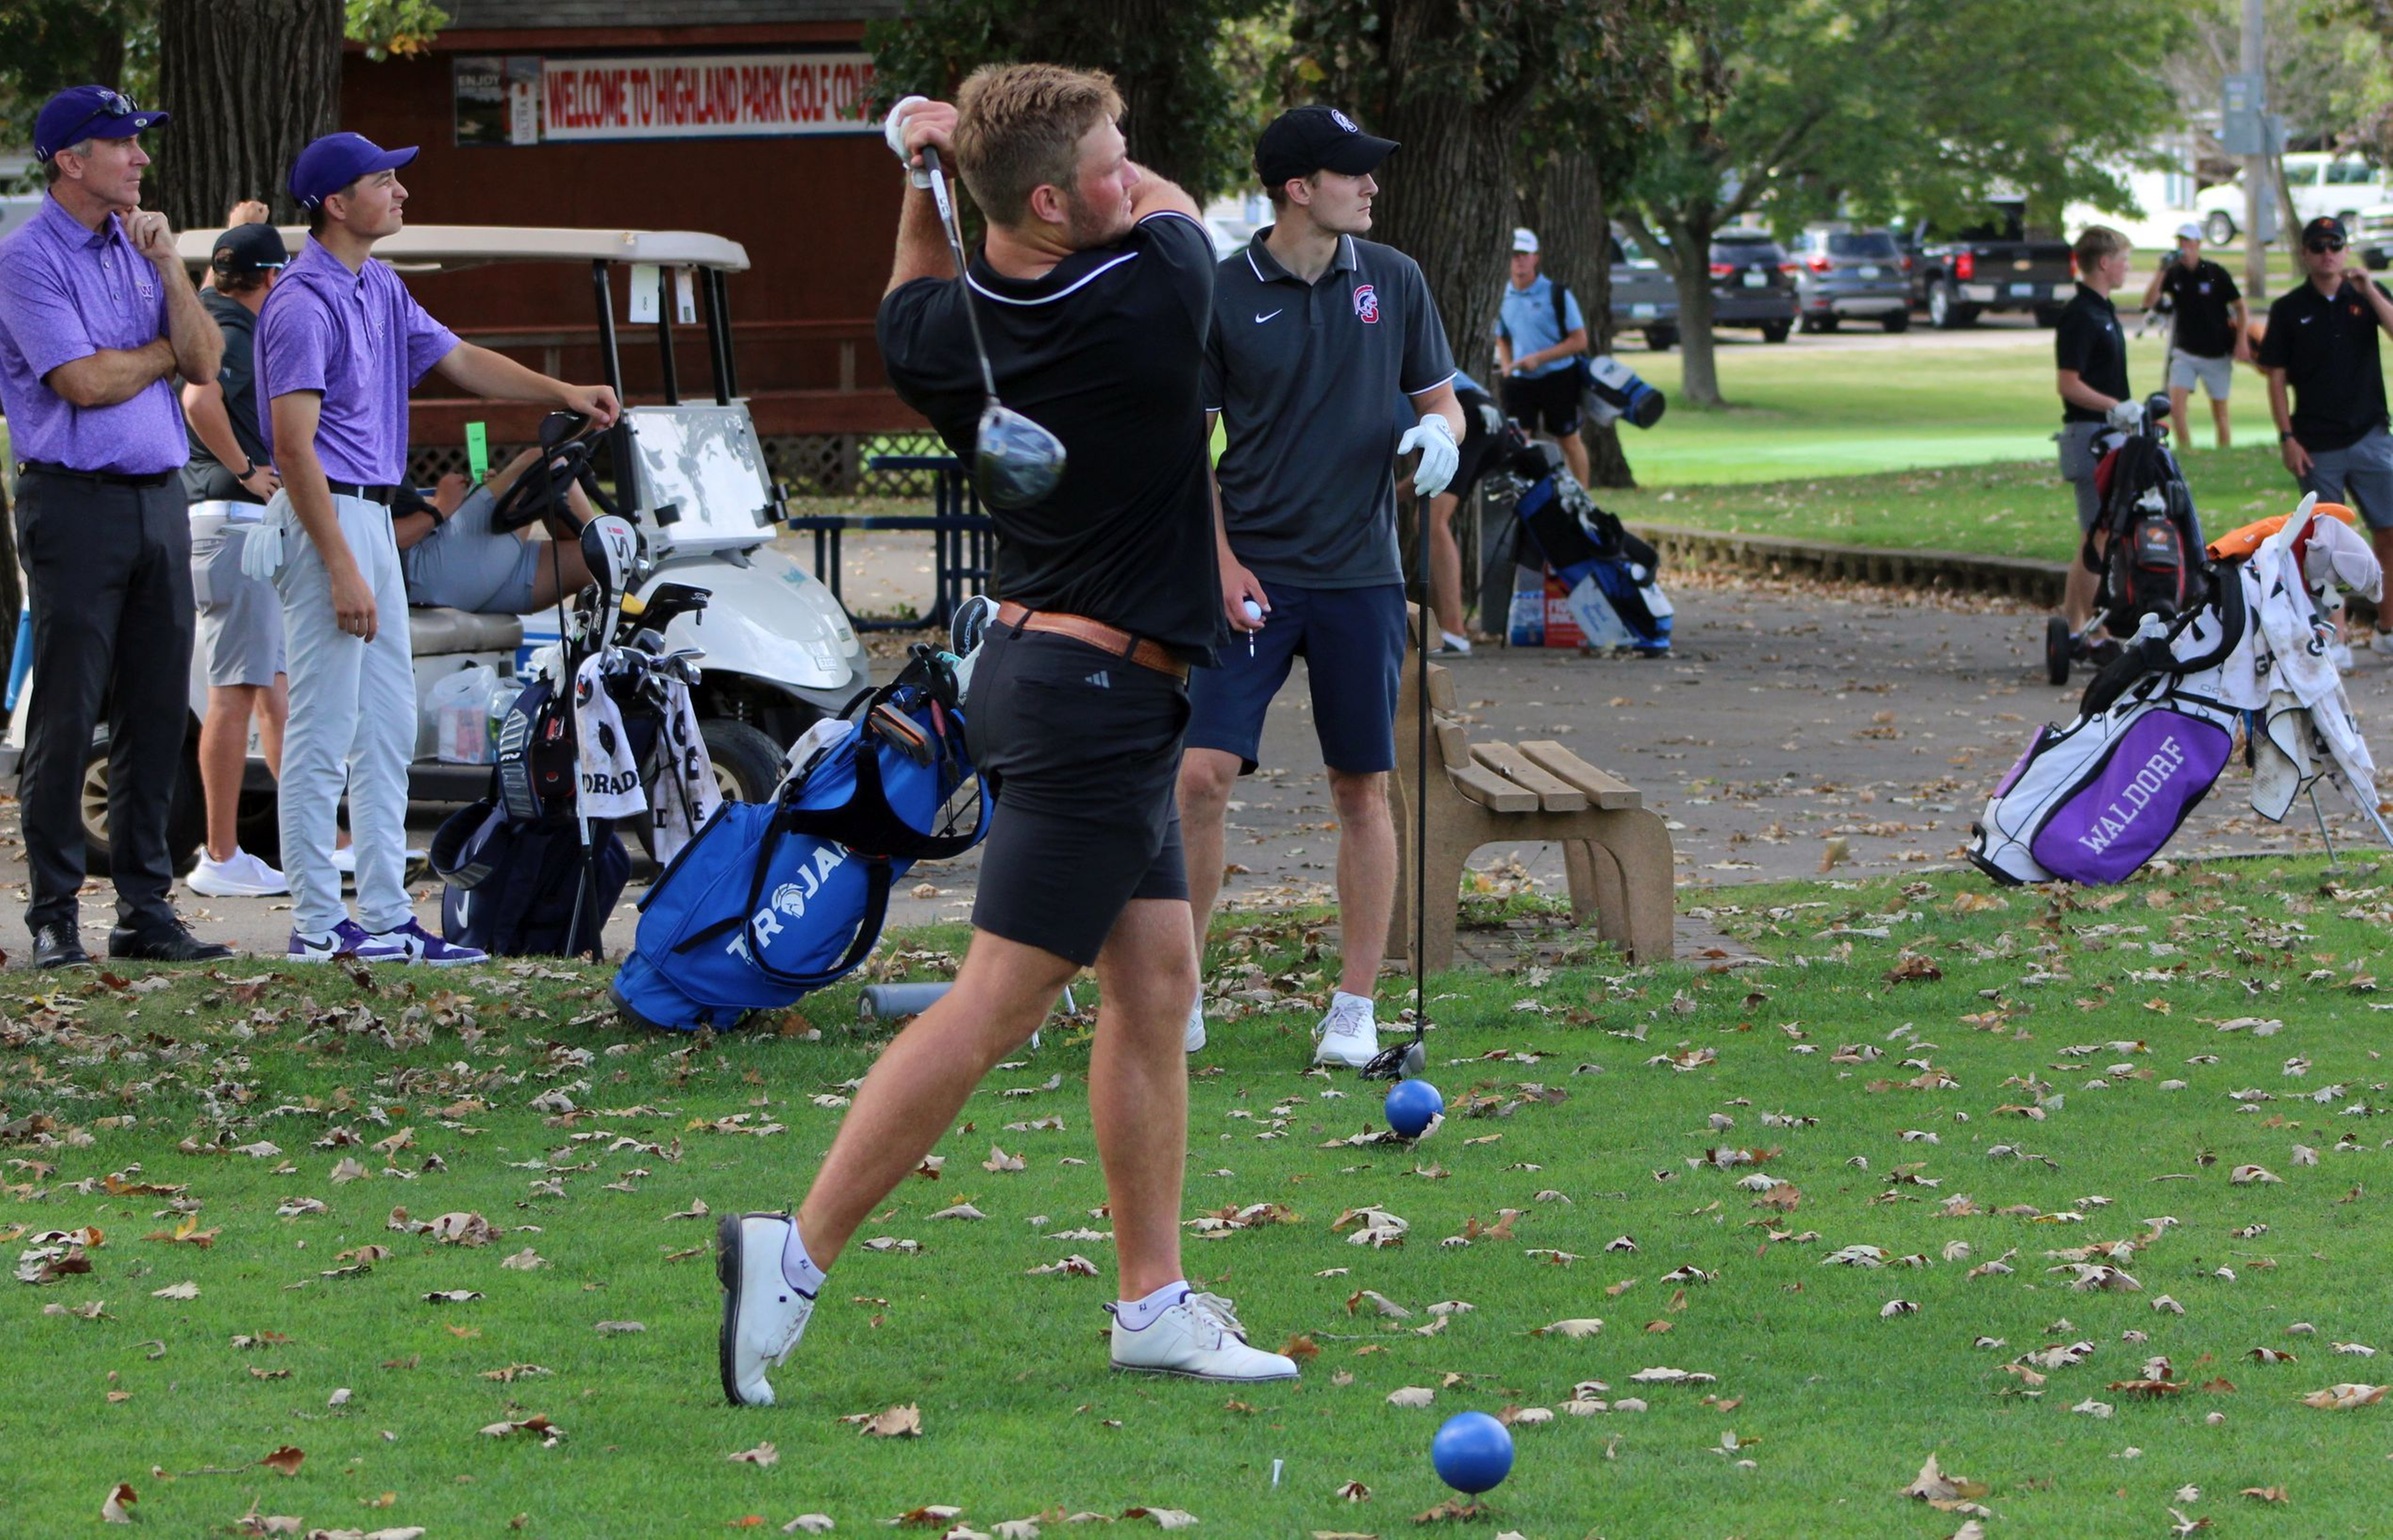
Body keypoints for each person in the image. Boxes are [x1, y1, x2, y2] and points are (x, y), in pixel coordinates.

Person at [715, 68, 1299, 1407]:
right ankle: (792, 1257)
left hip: (1070, 684)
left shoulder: (947, 333)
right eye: (1110, 154)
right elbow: (1165, 206)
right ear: (1053, 199)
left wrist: (921, 166)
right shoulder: (1154, 290)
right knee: (997, 1000)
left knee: (1156, 980)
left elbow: (913, 288)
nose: (1132, 166)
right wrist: (947, 157)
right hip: (1090, 704)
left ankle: (1151, 1300)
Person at [253, 131, 618, 965]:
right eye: (384, 180)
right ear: (338, 203)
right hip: (329, 523)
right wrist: (343, 564)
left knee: (384, 726)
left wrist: (562, 390)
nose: (402, 192)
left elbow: (460, 360)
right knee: (320, 726)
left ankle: (382, 916)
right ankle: (316, 926)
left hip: (374, 517)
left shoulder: (377, 283)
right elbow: (294, 448)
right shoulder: (302, 301)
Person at [1180, 105, 1464, 1066]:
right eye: (1353, 173)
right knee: (1199, 777)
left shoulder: (1394, 279)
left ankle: (1352, 1011)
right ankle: (1178, 986)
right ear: (1299, 187)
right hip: (1251, 573)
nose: (1372, 185)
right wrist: (1218, 564)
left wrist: (1441, 438)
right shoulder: (1219, 292)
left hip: (1361, 579)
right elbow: (1187, 453)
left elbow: (1441, 401)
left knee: (1361, 789)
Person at [0, 86, 231, 969]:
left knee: (154, 709)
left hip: (157, 499)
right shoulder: (26, 262)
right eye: (122, 144)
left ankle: (146, 910)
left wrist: (171, 267)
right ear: (71, 160)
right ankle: (55, 914)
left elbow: (204, 361)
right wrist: (159, 356)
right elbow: (84, 385)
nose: (139, 158)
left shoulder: (141, 249)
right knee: (67, 712)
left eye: (140, 143)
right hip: (73, 503)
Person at [182, 216, 292, 900]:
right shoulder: (231, 330)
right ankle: (222, 855)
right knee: (237, 696)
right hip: (234, 520)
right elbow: (200, 397)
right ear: (273, 279)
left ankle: (314, 839)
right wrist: (248, 466)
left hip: (227, 524)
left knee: (265, 690)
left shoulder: (210, 314)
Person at [2260, 216, 2393, 656]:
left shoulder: (2364, 296)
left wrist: (2370, 289)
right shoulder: (2288, 308)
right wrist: (2286, 436)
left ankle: (2387, 629)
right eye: (2317, 246)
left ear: (2346, 248)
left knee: (2389, 531)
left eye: (2335, 244)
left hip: (2370, 433)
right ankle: (2332, 634)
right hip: (2316, 441)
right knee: (2321, 544)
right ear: (2305, 253)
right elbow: (2275, 378)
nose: (2327, 253)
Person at [2053, 224, 2142, 646]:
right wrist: (2113, 406)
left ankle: (2074, 627)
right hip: (2090, 436)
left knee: (2096, 533)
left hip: (2107, 432)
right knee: (2099, 534)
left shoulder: (2103, 311)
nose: (2127, 267)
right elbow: (2068, 383)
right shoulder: (2081, 315)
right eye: (2123, 259)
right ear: (2104, 263)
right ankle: (2093, 629)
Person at [395, 447, 593, 614]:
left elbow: (391, 511)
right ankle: (613, 557)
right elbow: (374, 538)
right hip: (413, 575)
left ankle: (595, 658)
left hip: (433, 559)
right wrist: (440, 507)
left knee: (587, 564)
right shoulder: (366, 430)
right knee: (543, 463)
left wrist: (457, 500)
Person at [1397, 369, 1504, 653]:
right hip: (1486, 412)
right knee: (1430, 513)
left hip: (1456, 411)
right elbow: (1421, 478)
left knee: (1431, 522)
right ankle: (1452, 626)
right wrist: (1392, 495)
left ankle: (1454, 630)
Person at [1494, 227, 1590, 488]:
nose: (1519, 260)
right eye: (1514, 254)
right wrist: (1506, 365)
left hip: (1558, 376)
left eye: (1524, 254)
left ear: (1535, 257)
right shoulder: (1502, 295)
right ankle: (1530, 499)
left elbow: (1579, 340)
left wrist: (1539, 358)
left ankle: (1583, 495)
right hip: (1521, 380)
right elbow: (1501, 336)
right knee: (1518, 441)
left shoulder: (1556, 294)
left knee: (1568, 438)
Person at [2139, 221, 2248, 450]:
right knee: (2176, 408)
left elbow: (2240, 306)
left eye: (2188, 242)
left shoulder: (2214, 273)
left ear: (2198, 244)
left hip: (2216, 352)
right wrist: (2161, 270)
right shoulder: (2174, 274)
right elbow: (2148, 302)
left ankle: (2224, 453)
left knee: (2220, 412)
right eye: (2180, 242)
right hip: (2185, 351)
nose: (2183, 247)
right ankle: (2187, 451)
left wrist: (2242, 340)